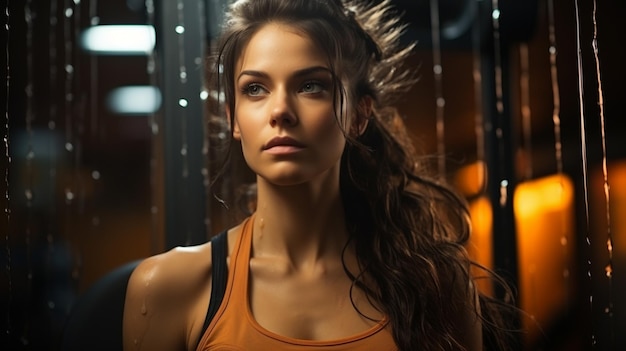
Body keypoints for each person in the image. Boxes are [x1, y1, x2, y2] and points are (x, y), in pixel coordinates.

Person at [123, 0, 517, 350]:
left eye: (311, 86)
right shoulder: (169, 289)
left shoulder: (437, 286)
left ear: (359, 114)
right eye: (256, 88)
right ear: (234, 119)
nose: (280, 111)